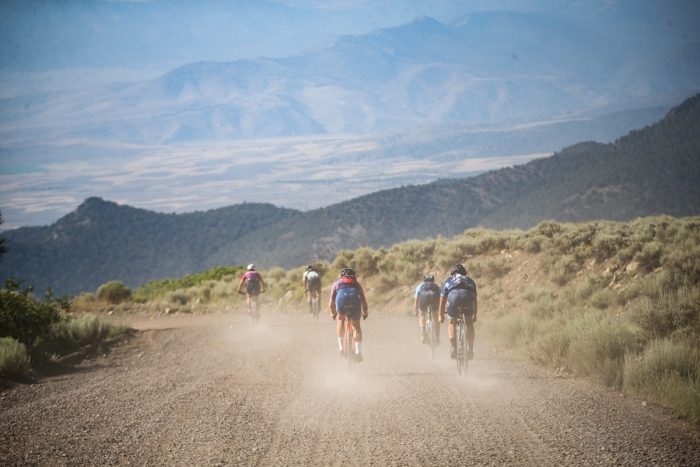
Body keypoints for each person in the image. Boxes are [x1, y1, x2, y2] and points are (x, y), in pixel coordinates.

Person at [438, 264, 477, 360]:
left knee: (451, 322)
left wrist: (441, 315)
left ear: (452, 274)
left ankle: (453, 347)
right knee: (469, 322)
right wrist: (474, 315)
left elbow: (442, 301)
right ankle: (470, 350)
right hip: (467, 297)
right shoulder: (470, 280)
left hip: (453, 297)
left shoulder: (449, 280)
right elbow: (474, 300)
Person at [329, 268, 368, 362]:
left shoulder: (337, 283)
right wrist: (365, 313)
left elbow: (331, 304)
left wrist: (333, 314)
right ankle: (358, 352)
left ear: (342, 276)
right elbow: (364, 302)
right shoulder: (357, 284)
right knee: (356, 326)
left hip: (341, 301)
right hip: (355, 301)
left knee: (341, 319)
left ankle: (341, 348)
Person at [414, 273, 441, 344]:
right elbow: (442, 298)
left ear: (424, 280)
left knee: (422, 315)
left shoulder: (420, 286)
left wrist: (415, 310)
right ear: (433, 280)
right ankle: (437, 337)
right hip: (434, 299)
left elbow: (416, 300)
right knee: (435, 317)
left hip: (424, 299)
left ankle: (423, 333)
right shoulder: (437, 286)